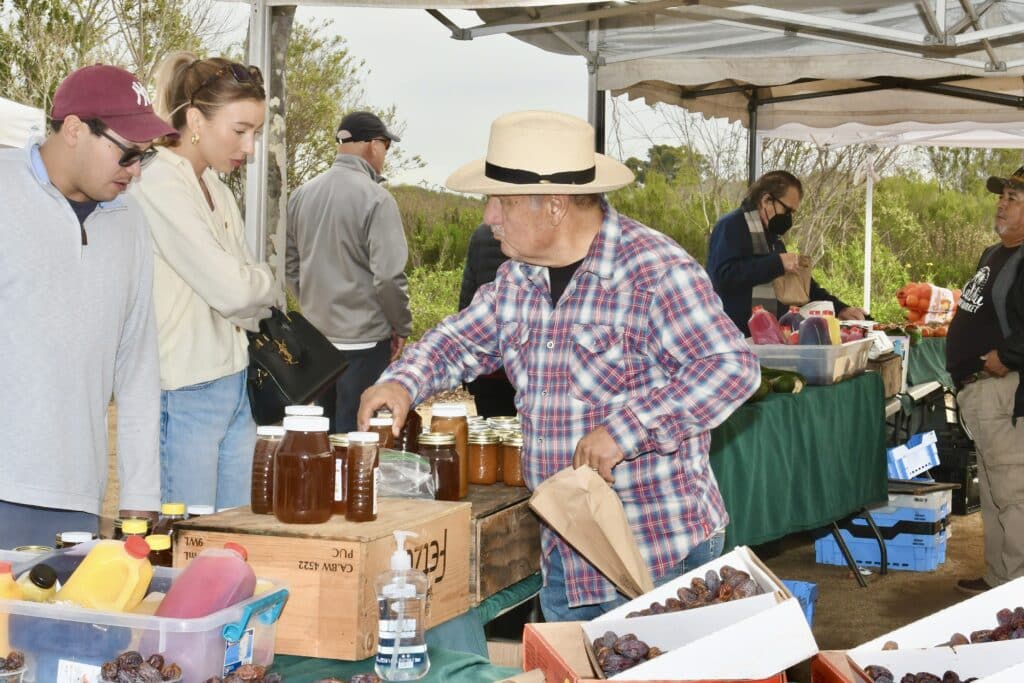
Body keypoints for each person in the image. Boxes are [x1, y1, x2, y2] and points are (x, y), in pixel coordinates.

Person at [358, 111, 760, 620]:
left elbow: (731, 367)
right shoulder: (518, 279)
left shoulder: (653, 271)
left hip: (659, 555)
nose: (489, 217)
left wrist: (627, 429)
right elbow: (455, 342)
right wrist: (400, 383)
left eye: (500, 201)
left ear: (553, 205)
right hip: (567, 555)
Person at [0, 65, 176, 547]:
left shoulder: (131, 222)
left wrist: (140, 494)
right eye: (128, 153)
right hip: (4, 486)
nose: (136, 170)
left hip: (78, 496)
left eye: (146, 157)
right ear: (75, 129)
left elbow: (138, 361)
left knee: (56, 625)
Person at [131, 53, 279, 509]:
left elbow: (254, 294)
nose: (249, 147)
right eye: (240, 131)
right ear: (195, 119)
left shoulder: (213, 185)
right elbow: (238, 291)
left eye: (255, 133)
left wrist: (255, 283)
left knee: (235, 542)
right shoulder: (158, 183)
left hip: (235, 382)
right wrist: (261, 280)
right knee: (190, 548)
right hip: (183, 391)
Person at [286, 111, 412, 433]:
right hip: (365, 345)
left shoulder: (301, 195)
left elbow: (288, 264)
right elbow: (388, 278)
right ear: (372, 145)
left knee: (320, 441)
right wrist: (400, 325)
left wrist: (312, 304)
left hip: (317, 346)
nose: (385, 153)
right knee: (359, 440)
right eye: (386, 145)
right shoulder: (377, 199)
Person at [945, 166, 1024, 595]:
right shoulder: (994, 254)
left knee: (1013, 491)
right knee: (994, 489)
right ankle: (1000, 580)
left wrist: (1006, 356)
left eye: (1014, 196)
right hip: (980, 390)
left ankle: (1017, 594)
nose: (1003, 201)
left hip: (1004, 392)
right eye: (1003, 194)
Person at [706, 171, 867, 335]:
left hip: (772, 339)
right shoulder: (731, 225)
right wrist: (777, 263)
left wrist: (840, 308)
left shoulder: (772, 237)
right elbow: (722, 276)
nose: (788, 218)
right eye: (787, 210)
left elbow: (801, 286)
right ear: (766, 200)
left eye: (792, 213)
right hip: (737, 337)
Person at [459, 223, 516, 417]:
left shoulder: (481, 234)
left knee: (493, 437)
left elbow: (467, 301)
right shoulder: (541, 234)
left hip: (488, 367)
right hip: (526, 366)